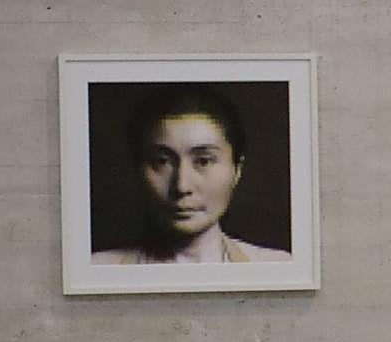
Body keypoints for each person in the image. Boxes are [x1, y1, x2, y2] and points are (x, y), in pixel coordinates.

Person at [92, 84, 290, 264]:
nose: (181, 186)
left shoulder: (278, 267)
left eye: (203, 161)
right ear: (137, 169)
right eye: (162, 162)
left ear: (236, 169)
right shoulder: (97, 269)